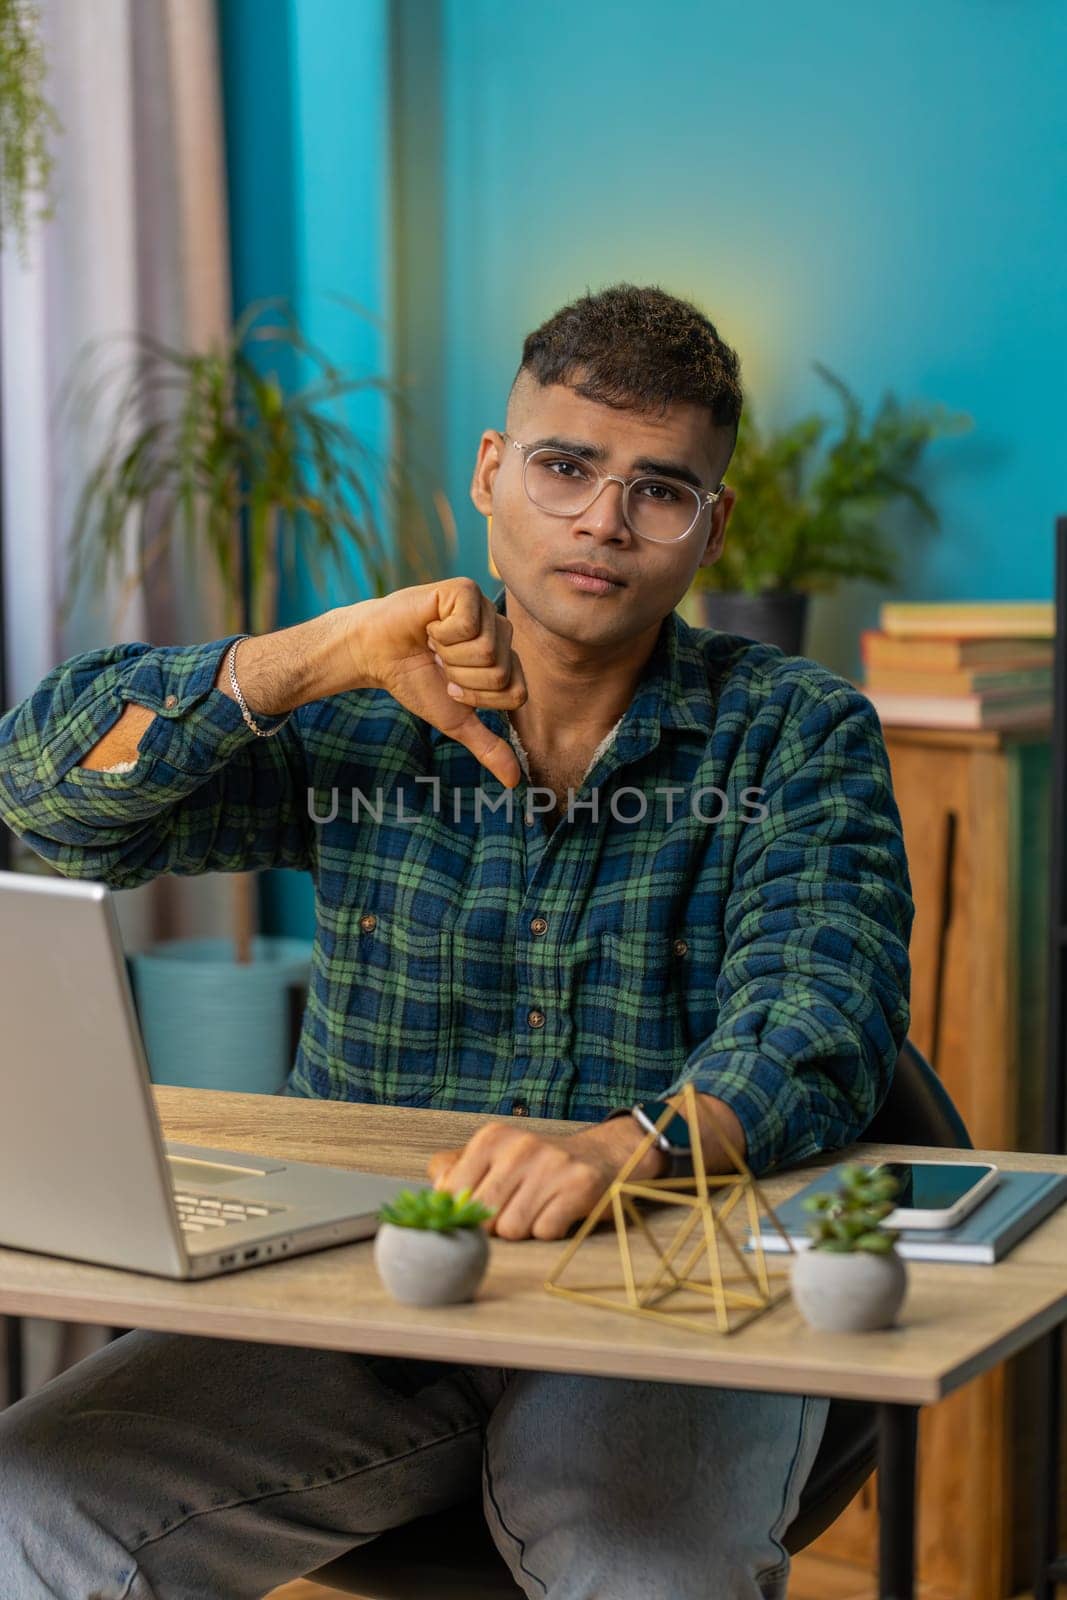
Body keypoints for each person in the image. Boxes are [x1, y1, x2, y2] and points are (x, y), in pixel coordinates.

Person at [0, 283, 912, 1600]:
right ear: (492, 475)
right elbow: (47, 800)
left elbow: (823, 1011)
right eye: (565, 466)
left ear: (710, 529)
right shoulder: (363, 707)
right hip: (360, 1285)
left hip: (660, 1284)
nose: (603, 518)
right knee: (30, 1500)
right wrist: (312, 655)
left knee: (643, 1571)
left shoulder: (797, 732)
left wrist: (631, 1146)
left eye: (659, 489)